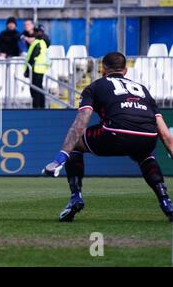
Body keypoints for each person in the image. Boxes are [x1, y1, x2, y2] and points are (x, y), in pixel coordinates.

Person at [43, 52, 173, 223]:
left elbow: (81, 122)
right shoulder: (143, 90)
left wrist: (60, 157)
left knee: (76, 145)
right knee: (145, 155)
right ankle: (166, 202)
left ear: (103, 69)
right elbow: (164, 133)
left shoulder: (95, 87)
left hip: (116, 132)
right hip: (148, 135)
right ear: (125, 70)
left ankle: (76, 197)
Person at [24, 25, 50, 109]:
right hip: (39, 69)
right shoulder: (40, 42)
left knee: (35, 89)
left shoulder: (38, 42)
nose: (37, 33)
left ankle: (37, 107)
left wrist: (27, 70)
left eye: (38, 31)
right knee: (39, 88)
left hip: (36, 69)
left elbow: (32, 57)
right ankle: (41, 106)